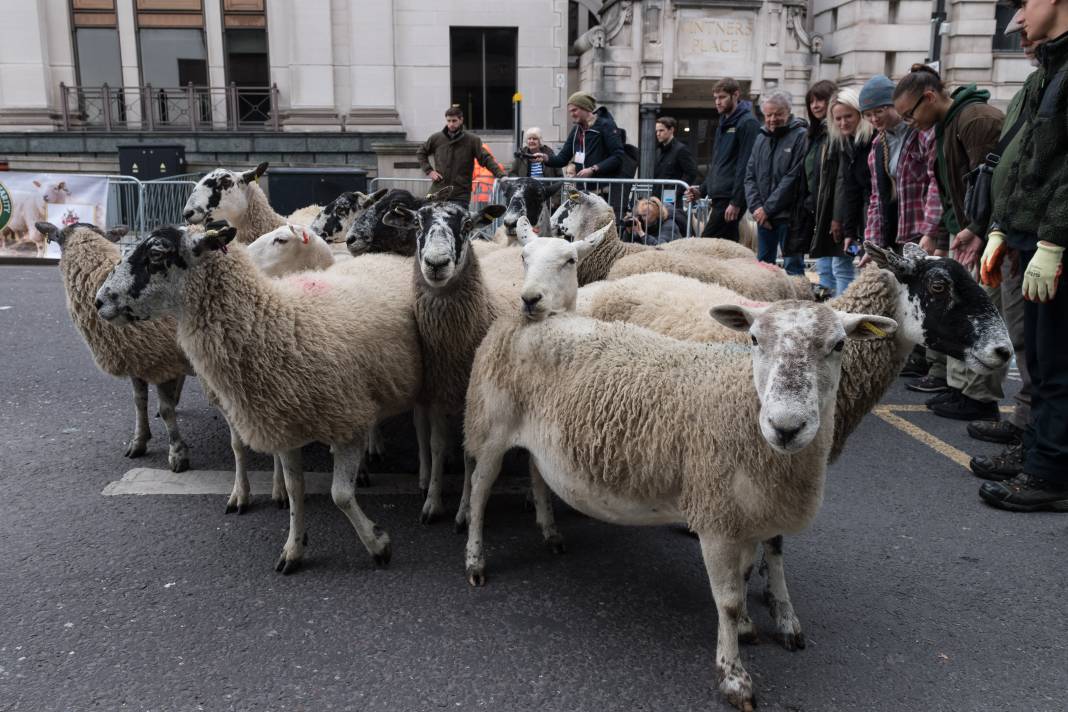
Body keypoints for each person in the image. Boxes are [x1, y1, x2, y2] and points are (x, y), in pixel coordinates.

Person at [975, 0, 1068, 511]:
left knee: (1056, 363)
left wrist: (1053, 239)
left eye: (1026, 3)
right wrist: (1001, 228)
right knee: (1039, 354)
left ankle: (1050, 472)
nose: (1017, 20)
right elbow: (1025, 161)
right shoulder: (1053, 69)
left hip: (1055, 242)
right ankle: (1037, 452)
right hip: (1032, 238)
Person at [893, 64, 1006, 423]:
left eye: (910, 114)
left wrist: (978, 228)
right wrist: (942, 236)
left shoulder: (975, 120)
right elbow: (948, 192)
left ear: (929, 97)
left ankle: (980, 397)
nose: (909, 122)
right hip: (968, 235)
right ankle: (962, 389)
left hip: (989, 238)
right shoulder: (945, 127)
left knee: (984, 315)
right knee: (961, 313)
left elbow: (993, 183)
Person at [969, 8, 1042, 483]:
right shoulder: (1035, 87)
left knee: (1041, 348)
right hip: (1017, 234)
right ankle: (1026, 428)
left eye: (1025, 27)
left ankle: (1035, 440)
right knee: (1026, 340)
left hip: (1040, 237)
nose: (1020, 32)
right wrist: (995, 225)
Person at [860, 75, 945, 380]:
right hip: (894, 228)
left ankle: (935, 366)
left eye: (879, 111)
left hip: (920, 228)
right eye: (868, 115)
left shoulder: (919, 133)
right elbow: (875, 196)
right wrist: (872, 243)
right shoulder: (878, 144)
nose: (874, 119)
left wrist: (931, 229)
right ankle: (917, 356)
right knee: (908, 297)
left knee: (928, 296)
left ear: (894, 105)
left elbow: (936, 181)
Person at [686, 78, 760, 241]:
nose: (717, 102)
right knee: (726, 247)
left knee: (707, 242)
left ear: (735, 95)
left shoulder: (747, 123)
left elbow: (746, 165)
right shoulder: (723, 123)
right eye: (715, 98)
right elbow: (719, 164)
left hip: (730, 198)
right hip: (721, 196)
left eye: (722, 97)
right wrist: (702, 190)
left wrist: (736, 201)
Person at [744, 90, 807, 276]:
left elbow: (793, 178)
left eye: (778, 114)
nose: (772, 119)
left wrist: (767, 209)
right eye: (768, 114)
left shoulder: (801, 136)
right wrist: (756, 208)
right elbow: (750, 176)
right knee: (764, 268)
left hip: (789, 216)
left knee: (793, 266)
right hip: (764, 218)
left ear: (788, 112)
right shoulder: (761, 137)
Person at [417, 105, 505, 206]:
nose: (451, 124)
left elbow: (486, 158)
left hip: (460, 194)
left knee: (458, 220)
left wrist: (501, 175)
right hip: (438, 190)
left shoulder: (472, 140)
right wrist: (429, 171)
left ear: (461, 120)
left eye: (454, 121)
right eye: (448, 121)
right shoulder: (436, 138)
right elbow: (421, 152)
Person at [530, 91, 625, 178]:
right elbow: (562, 158)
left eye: (574, 110)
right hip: (582, 188)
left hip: (602, 188)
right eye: (570, 111)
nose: (571, 114)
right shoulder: (576, 130)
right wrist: (545, 158)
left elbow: (618, 156)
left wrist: (593, 169)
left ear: (586, 108)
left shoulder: (606, 125)